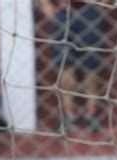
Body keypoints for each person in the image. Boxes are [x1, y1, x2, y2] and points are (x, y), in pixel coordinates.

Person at [39, 0, 109, 133]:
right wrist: (47, 6)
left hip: (89, 11)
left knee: (91, 68)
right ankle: (68, 115)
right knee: (65, 67)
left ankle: (91, 115)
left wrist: (100, 7)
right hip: (62, 12)